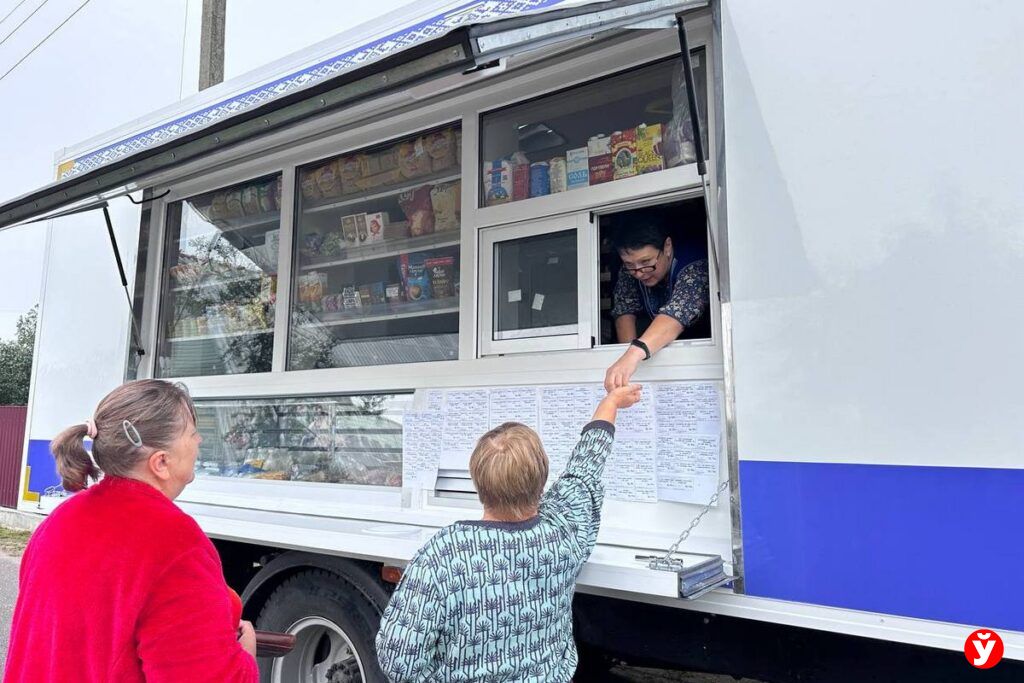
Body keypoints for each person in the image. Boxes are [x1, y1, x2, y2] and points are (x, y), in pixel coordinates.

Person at [375, 384, 642, 682]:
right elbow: (586, 464)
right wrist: (612, 402)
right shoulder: (563, 532)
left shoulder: (444, 556)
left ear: (478, 481)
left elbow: (399, 661)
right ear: (541, 480)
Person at [3, 380, 259, 683]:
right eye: (192, 433)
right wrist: (246, 656)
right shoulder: (175, 543)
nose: (199, 440)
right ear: (161, 462)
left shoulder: (59, 521)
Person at [605, 222, 710, 391]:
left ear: (667, 246)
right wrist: (627, 365)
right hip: (651, 353)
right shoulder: (631, 269)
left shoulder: (695, 262)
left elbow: (679, 310)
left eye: (646, 261)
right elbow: (624, 309)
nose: (638, 272)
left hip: (699, 357)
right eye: (630, 265)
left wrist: (633, 355)